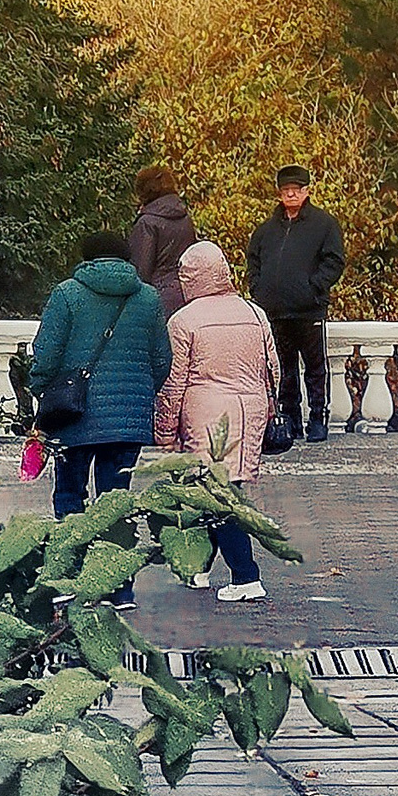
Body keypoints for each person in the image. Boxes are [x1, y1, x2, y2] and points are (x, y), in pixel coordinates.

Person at [153, 243, 281, 601]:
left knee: (218, 493)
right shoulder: (254, 313)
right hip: (251, 407)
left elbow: (174, 382)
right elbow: (273, 368)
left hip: (206, 410)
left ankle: (245, 577)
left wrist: (164, 431)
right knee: (224, 487)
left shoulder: (183, 321)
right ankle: (199, 568)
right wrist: (270, 407)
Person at [27, 232, 171, 522]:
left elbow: (46, 353)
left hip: (71, 415)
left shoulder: (67, 294)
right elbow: (161, 359)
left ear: (87, 257)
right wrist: (139, 396)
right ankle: (114, 562)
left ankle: (73, 562)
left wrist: (43, 392)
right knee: (115, 504)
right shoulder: (148, 298)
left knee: (69, 496)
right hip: (128, 420)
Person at [245, 164, 344, 444]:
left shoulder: (323, 225)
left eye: (296, 190)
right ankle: (290, 420)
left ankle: (317, 419)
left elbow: (334, 260)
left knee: (315, 368)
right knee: (283, 370)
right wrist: (259, 289)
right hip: (275, 310)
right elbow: (253, 261)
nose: (291, 195)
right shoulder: (266, 231)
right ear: (279, 194)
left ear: (307, 191)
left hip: (309, 309)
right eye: (286, 190)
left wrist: (314, 287)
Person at [127, 164, 197, 317]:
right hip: (187, 292)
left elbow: (141, 270)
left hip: (157, 296)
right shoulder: (185, 218)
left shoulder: (147, 222)